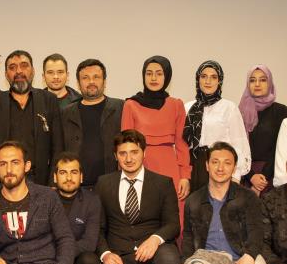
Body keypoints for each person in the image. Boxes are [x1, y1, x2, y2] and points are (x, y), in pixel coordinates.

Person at [170, 142, 268, 264]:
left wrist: (249, 255)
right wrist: (185, 262)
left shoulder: (248, 198)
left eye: (227, 163)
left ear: (234, 167)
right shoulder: (194, 200)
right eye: (215, 162)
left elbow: (257, 231)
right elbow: (188, 236)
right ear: (207, 165)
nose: (220, 168)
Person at [95, 129, 182, 264]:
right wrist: (105, 254)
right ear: (115, 156)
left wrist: (155, 239)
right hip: (120, 257)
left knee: (169, 255)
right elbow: (97, 227)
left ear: (144, 153)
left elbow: (173, 224)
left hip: (154, 254)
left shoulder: (163, 183)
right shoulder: (104, 184)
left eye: (134, 152)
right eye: (123, 153)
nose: (129, 158)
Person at [0, 50, 62, 186]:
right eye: (12, 67)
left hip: (41, 181)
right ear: (6, 75)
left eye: (24, 65)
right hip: (4, 181)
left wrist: (53, 182)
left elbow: (58, 147)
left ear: (33, 71)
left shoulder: (49, 100)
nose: (18, 71)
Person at [121, 56, 191, 204]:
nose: (153, 78)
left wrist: (185, 176)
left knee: (172, 210)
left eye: (159, 73)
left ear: (167, 76)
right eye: (149, 73)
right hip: (139, 167)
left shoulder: (176, 105)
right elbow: (125, 146)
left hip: (170, 168)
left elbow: (182, 144)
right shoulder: (131, 105)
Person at [52, 153, 104, 264]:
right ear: (55, 177)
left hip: (77, 257)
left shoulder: (92, 201)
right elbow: (41, 240)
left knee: (90, 260)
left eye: (73, 172)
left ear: (81, 177)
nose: (68, 177)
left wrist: (64, 259)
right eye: (63, 172)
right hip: (49, 259)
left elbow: (89, 242)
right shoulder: (45, 199)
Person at [56, 58, 124, 189]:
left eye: (96, 77)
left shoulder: (120, 108)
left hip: (112, 185)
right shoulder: (66, 113)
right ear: (78, 83)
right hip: (75, 186)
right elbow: (58, 150)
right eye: (85, 78)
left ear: (104, 81)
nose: (91, 82)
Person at [184, 60, 251, 190]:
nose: (208, 81)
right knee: (193, 202)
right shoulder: (188, 107)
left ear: (219, 81)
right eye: (204, 76)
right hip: (192, 166)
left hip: (218, 165)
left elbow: (239, 144)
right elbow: (181, 144)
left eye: (213, 77)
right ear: (198, 79)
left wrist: (235, 177)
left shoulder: (229, 107)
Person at [239, 64, 287, 196]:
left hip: (271, 175)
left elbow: (279, 147)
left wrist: (262, 179)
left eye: (262, 80)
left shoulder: (280, 110)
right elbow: (237, 147)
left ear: (269, 83)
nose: (257, 84)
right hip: (246, 175)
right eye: (252, 80)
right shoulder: (239, 112)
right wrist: (251, 177)